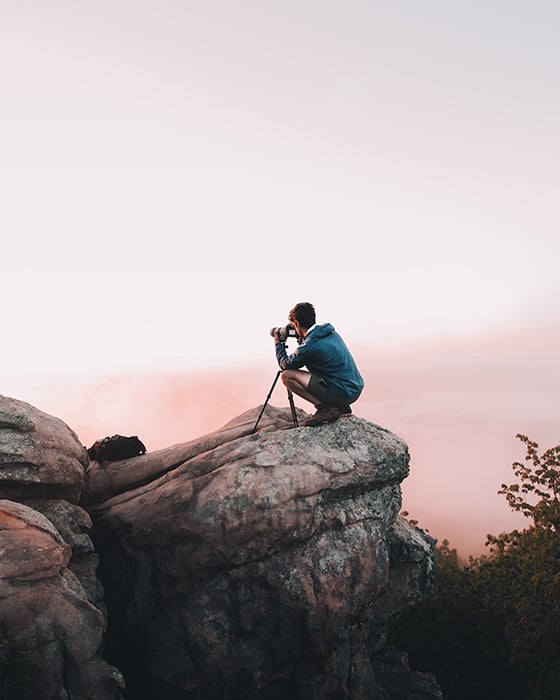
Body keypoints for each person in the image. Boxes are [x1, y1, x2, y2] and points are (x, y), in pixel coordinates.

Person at [272, 302, 364, 427]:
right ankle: (340, 407)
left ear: (297, 324)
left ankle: (325, 409)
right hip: (354, 388)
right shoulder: (329, 332)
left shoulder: (310, 345)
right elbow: (316, 353)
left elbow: (285, 364)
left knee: (286, 376)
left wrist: (278, 343)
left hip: (341, 393)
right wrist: (302, 338)